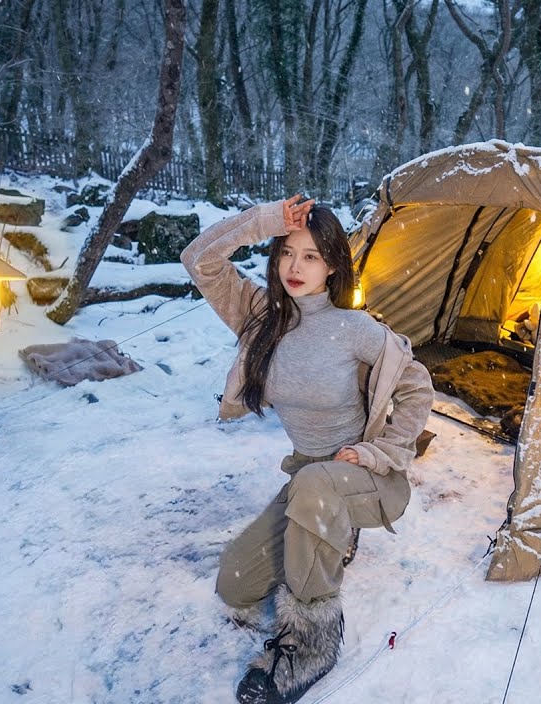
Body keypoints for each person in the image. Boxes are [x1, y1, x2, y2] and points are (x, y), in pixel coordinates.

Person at [181, 195, 434, 704]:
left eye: (312, 256)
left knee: (318, 486)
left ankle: (312, 644)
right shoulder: (260, 318)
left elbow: (417, 387)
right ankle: (323, 533)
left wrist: (380, 452)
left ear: (334, 265)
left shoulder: (354, 329)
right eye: (287, 252)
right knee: (235, 584)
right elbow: (199, 260)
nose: (295, 267)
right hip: (308, 479)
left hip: (364, 477)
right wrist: (265, 221)